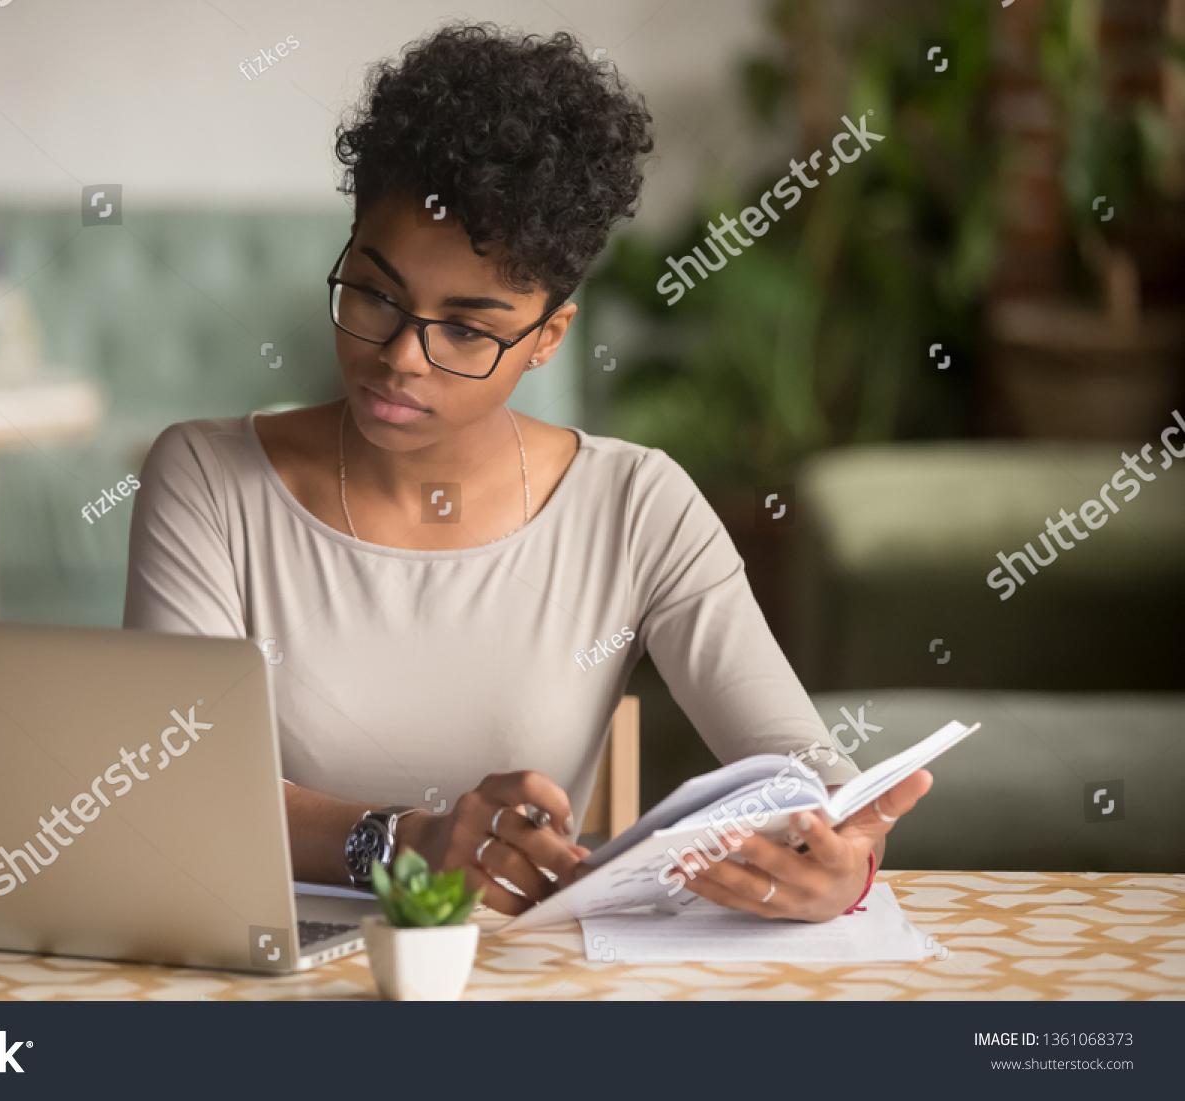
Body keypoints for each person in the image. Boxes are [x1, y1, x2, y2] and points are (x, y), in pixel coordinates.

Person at [123, 22, 931, 920]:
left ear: (548, 337)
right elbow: (174, 789)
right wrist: (403, 842)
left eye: (467, 327)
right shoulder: (203, 478)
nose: (401, 357)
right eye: (374, 292)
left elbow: (804, 767)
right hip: (269, 976)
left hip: (524, 979)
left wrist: (843, 860)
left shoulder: (636, 505)